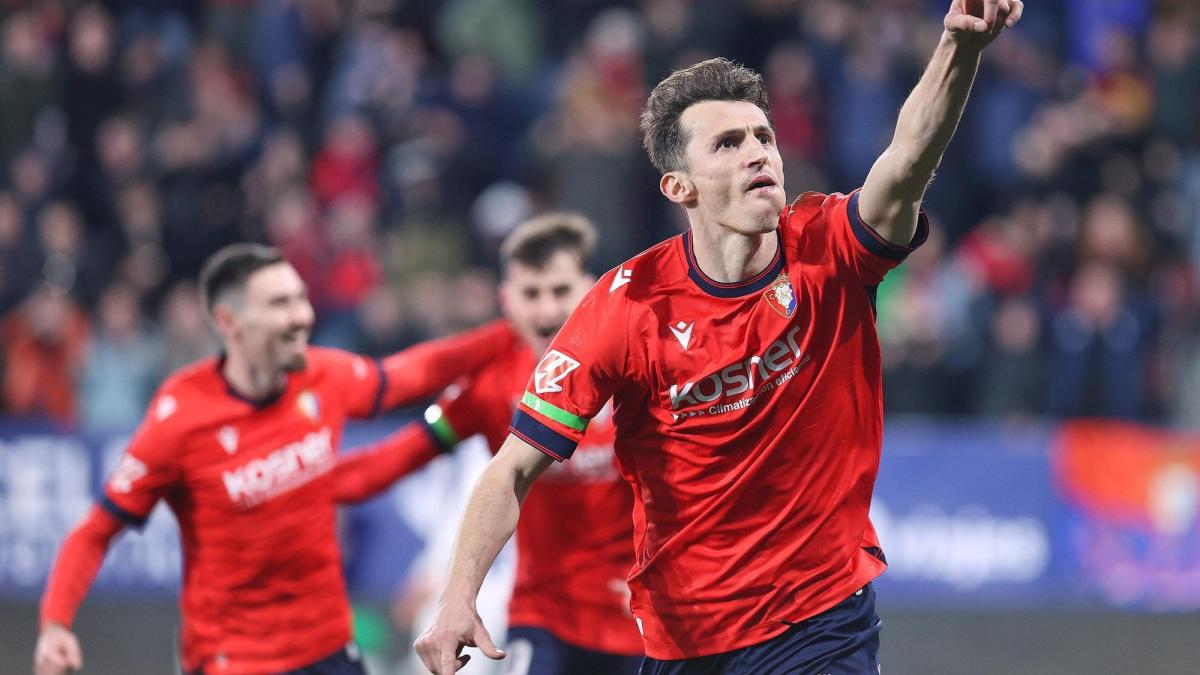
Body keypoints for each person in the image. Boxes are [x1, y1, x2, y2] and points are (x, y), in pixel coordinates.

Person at [414, 2, 1024, 674]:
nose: (757, 152)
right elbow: (513, 466)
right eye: (728, 144)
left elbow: (907, 160)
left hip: (819, 619)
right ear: (681, 186)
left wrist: (958, 48)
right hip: (686, 639)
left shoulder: (827, 248)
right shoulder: (628, 305)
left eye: (763, 136)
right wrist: (457, 597)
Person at [34, 243, 516, 675]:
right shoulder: (179, 418)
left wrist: (511, 335)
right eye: (280, 304)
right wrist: (56, 624)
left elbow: (409, 377)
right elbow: (93, 533)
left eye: (301, 298)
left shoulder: (321, 374)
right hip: (234, 659)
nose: (301, 315)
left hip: (328, 647)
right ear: (229, 322)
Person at [330, 213, 643, 674]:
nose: (545, 311)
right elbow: (397, 457)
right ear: (506, 300)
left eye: (560, 291)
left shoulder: (638, 372)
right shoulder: (492, 386)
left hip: (638, 617)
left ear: (593, 290)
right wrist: (306, 486)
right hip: (543, 615)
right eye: (531, 294)